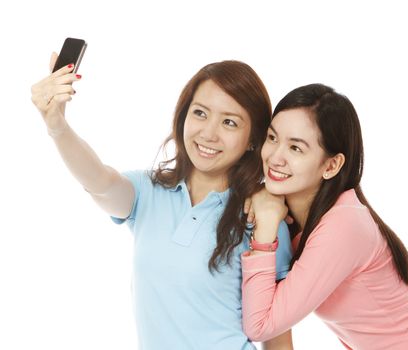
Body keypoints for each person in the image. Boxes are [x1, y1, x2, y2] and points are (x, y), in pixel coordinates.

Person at [31, 54, 293, 349]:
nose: (208, 133)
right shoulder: (148, 191)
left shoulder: (262, 219)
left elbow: (276, 336)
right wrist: (57, 125)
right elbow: (99, 182)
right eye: (200, 113)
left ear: (253, 140)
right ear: (184, 115)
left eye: (229, 122)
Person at [241, 83, 408, 349]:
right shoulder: (298, 217)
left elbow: (260, 325)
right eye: (272, 138)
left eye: (296, 148)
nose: (275, 157)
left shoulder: (343, 226)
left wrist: (266, 227)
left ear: (331, 165)